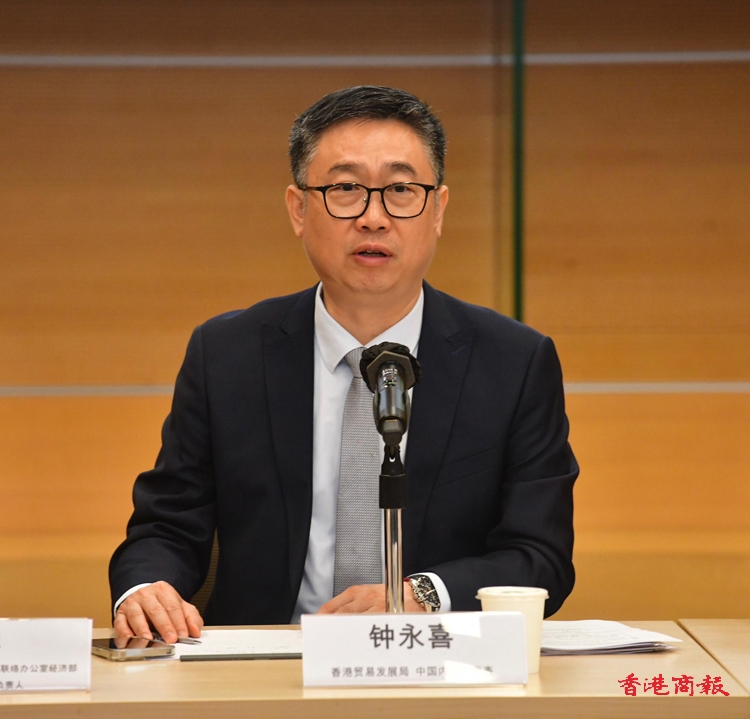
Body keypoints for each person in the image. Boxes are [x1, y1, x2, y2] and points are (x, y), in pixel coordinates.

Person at [109, 85, 578, 643]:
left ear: (438, 210)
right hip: (266, 665)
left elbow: (540, 555)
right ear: (298, 209)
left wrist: (418, 594)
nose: (374, 218)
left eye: (401, 190)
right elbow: (166, 526)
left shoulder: (513, 362)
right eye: (346, 189)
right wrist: (145, 589)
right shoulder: (228, 355)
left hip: (441, 662)